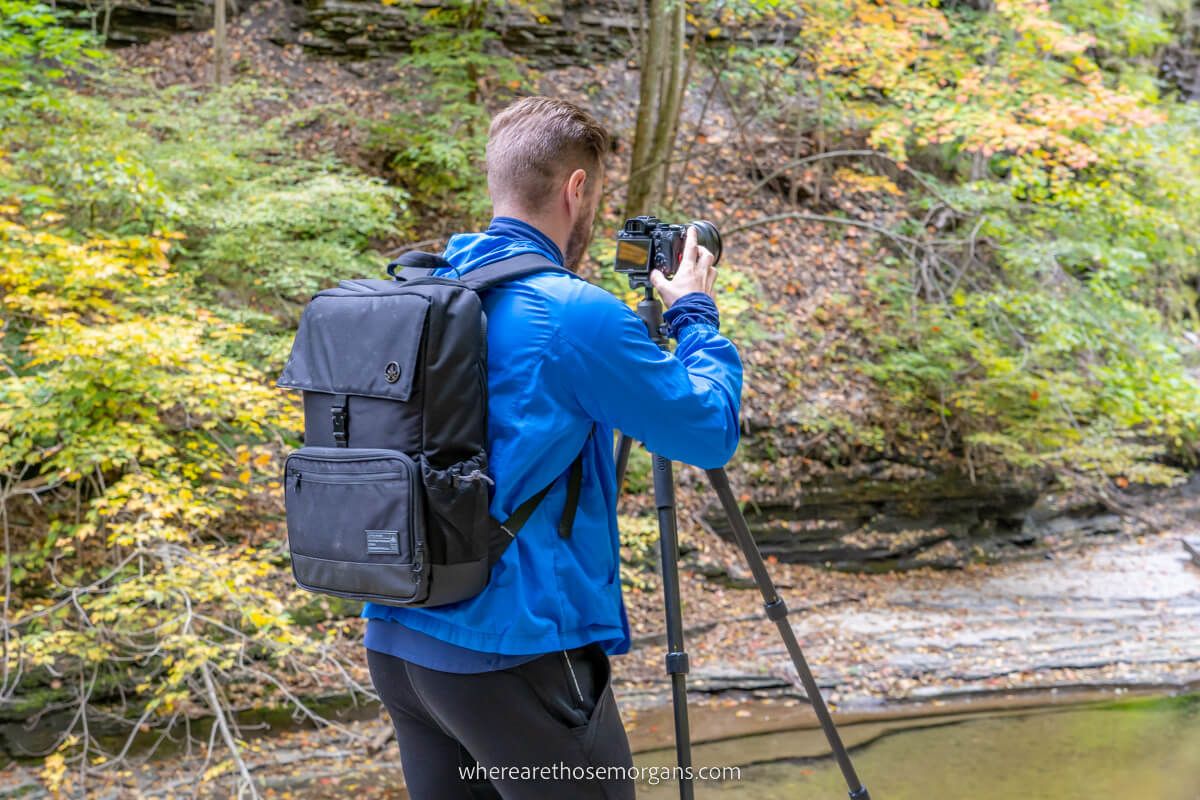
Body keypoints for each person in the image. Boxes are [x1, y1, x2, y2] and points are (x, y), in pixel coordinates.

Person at [363, 96, 743, 799]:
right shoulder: (573, 314)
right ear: (576, 189)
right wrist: (693, 314)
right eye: (593, 193)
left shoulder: (430, 290)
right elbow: (709, 430)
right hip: (514, 650)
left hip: (400, 642)